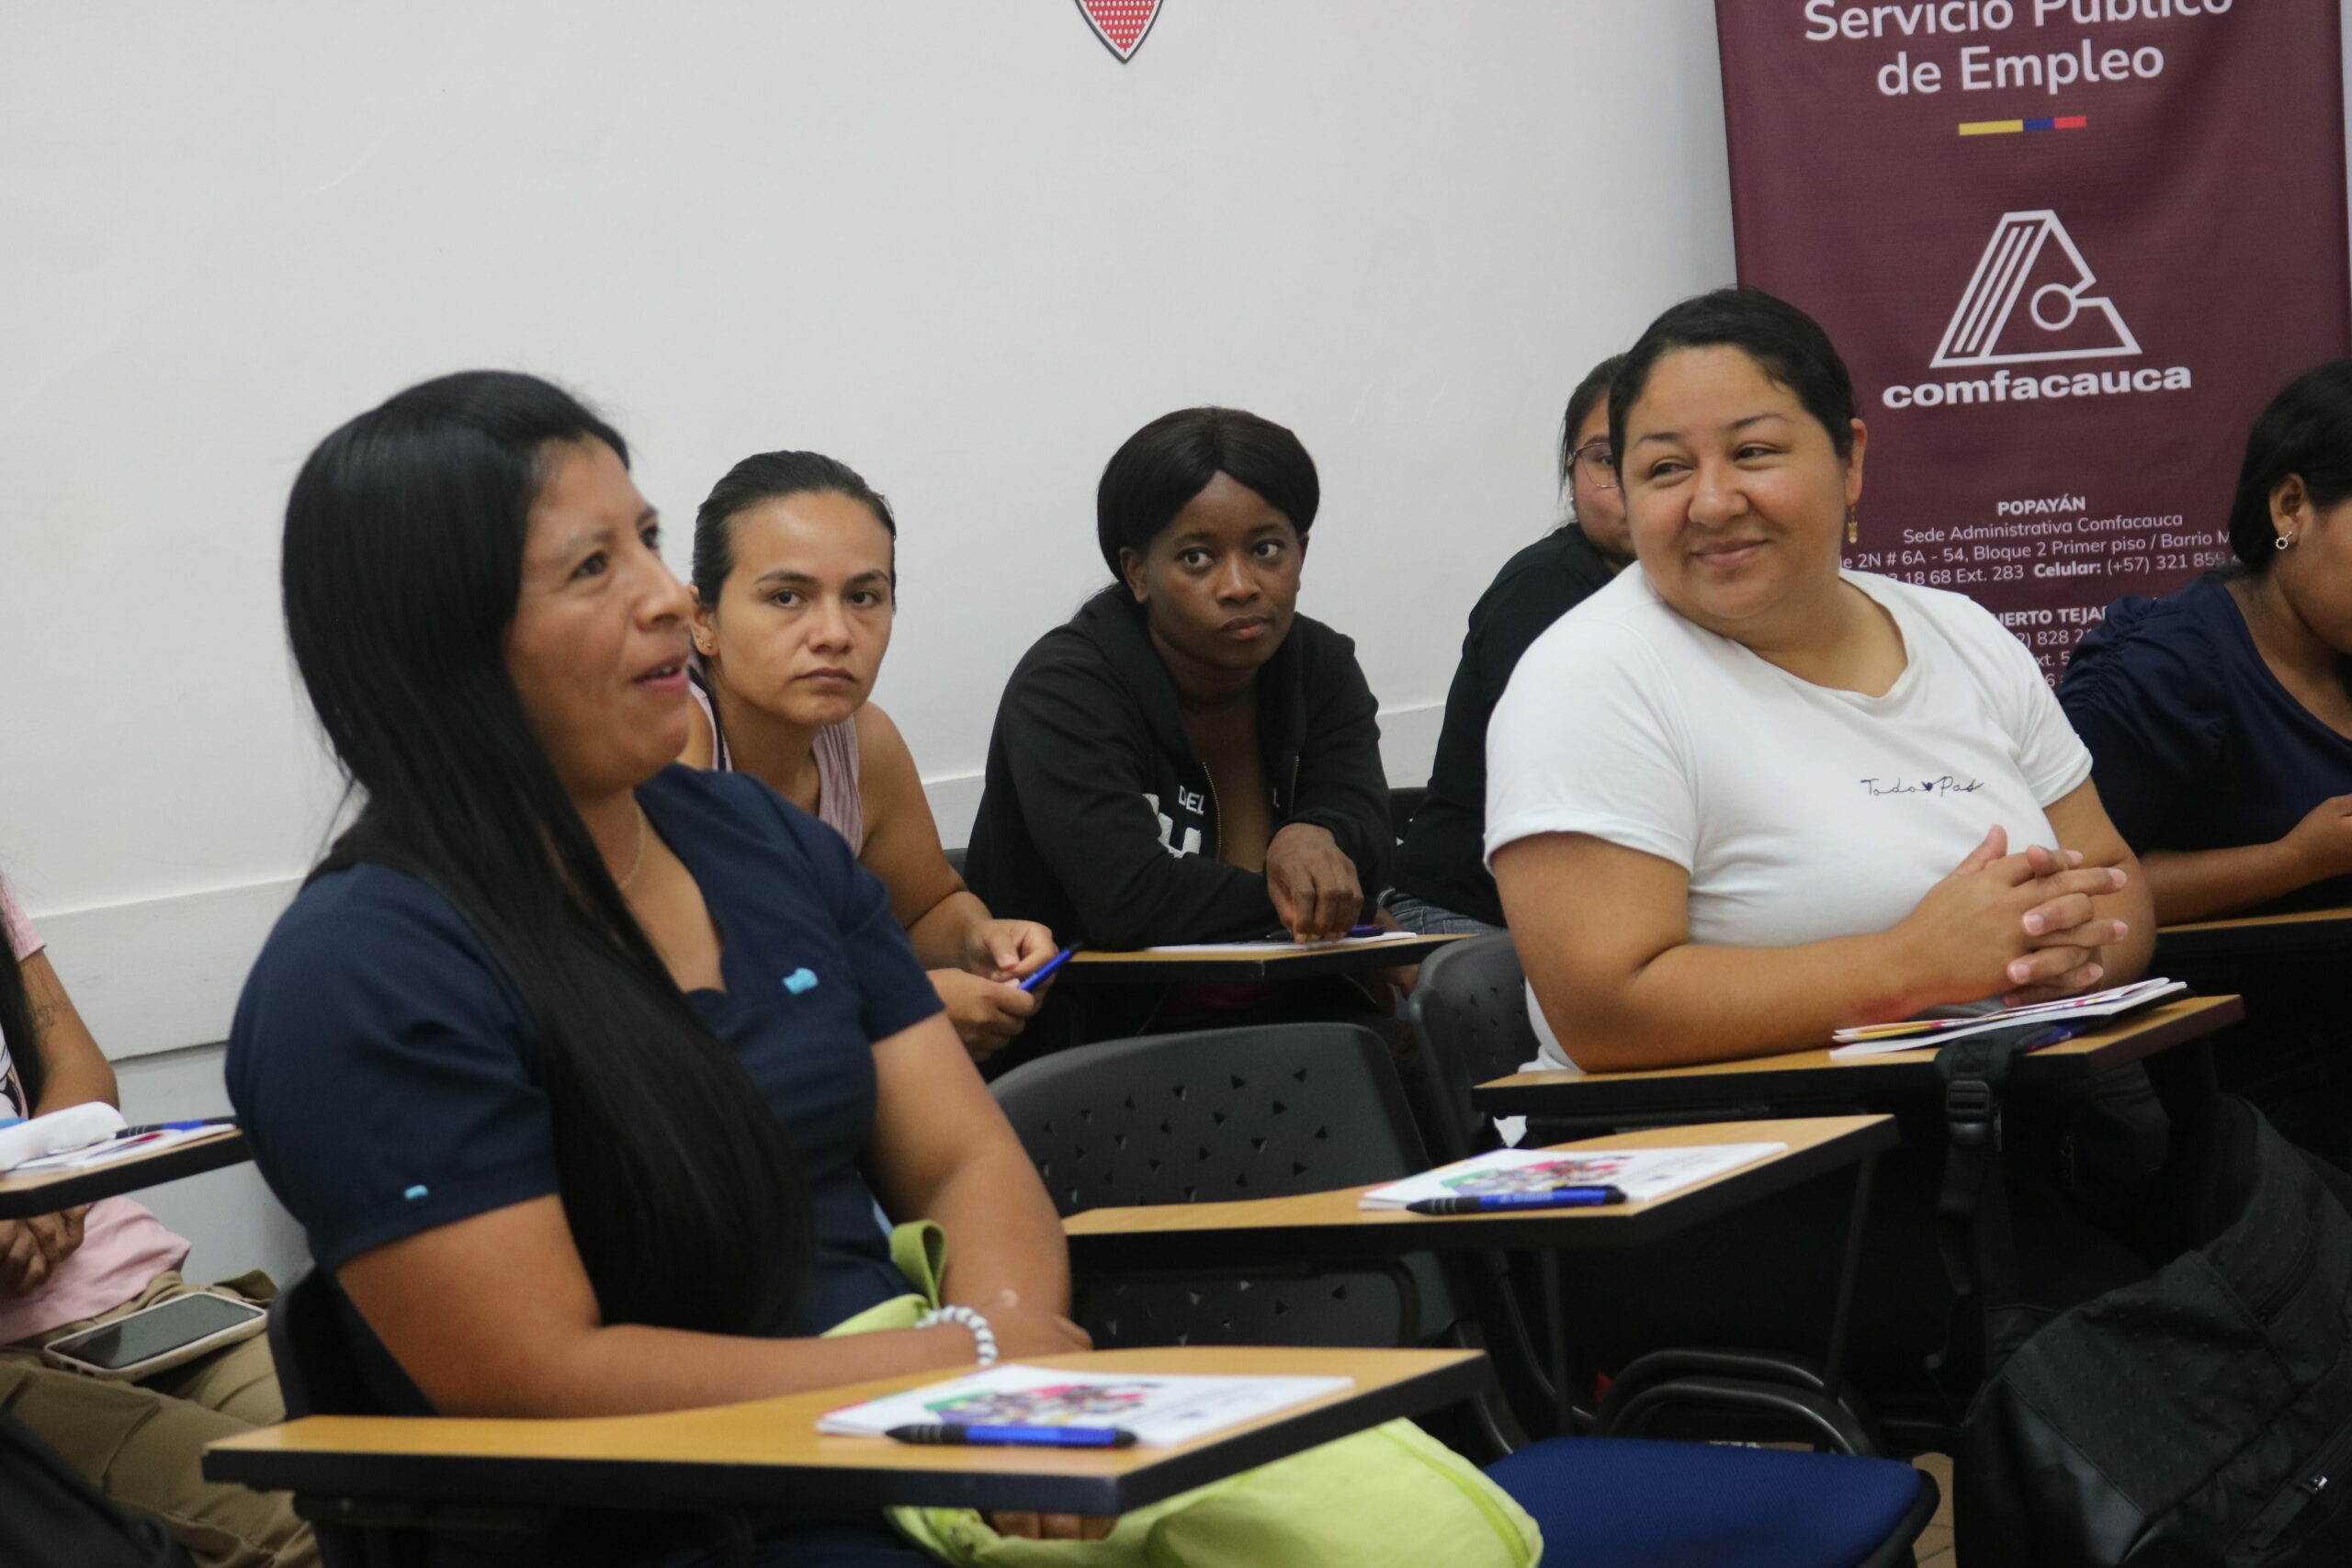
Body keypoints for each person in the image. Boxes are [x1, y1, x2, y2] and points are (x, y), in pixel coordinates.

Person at [228, 372, 1093, 1567]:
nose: (670, 597)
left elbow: (959, 1153)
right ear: (444, 643)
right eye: (594, 567)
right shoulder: (363, 972)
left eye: (647, 539)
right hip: (696, 1515)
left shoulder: (763, 838)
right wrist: (952, 1368)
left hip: (937, 1435)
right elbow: (534, 1374)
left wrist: (1010, 1355)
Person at [1485, 289, 2158, 1397]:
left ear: (1849, 458)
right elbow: (1603, 1009)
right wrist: (1912, 967)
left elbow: (2115, 877)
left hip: (2013, 1129)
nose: (1711, 502)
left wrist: (2072, 942)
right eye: (1660, 470)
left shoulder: (1959, 633)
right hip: (1729, 1185)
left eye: (1754, 451)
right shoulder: (1591, 679)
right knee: (2155, 1358)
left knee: (2279, 1254)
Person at [963, 407, 1395, 1041]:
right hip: (1104, 1048)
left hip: (1308, 1016)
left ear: (1301, 552)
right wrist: (1302, 890)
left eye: (1267, 549)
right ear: (1138, 572)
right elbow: (1128, 902)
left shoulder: (1320, 665)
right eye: (1197, 558)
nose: (1241, 585)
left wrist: (1313, 834)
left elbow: (1373, 843)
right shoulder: (1065, 688)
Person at [2059, 358, 2352, 1160]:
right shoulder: (2164, 669)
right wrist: (2294, 859)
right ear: (2291, 505)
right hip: (2254, 1085)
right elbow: (2076, 895)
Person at [684, 450, 1058, 1063]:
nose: (834, 632)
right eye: (786, 596)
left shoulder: (862, 740)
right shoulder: (668, 733)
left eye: (863, 596)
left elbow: (925, 909)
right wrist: (892, 1002)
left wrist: (979, 941)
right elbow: (683, 991)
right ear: (703, 620)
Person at [0, 871, 311, 1568]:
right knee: (308, 1517)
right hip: (11, 1362)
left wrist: (49, 1188)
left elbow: (76, 1068)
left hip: (139, 1301)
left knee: (421, 1463)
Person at [1388, 355, 1631, 935]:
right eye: (1606, 460)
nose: (1633, 483)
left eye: (1662, 458)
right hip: (1465, 918)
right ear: (1571, 473)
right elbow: (1585, 801)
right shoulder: (1548, 584)